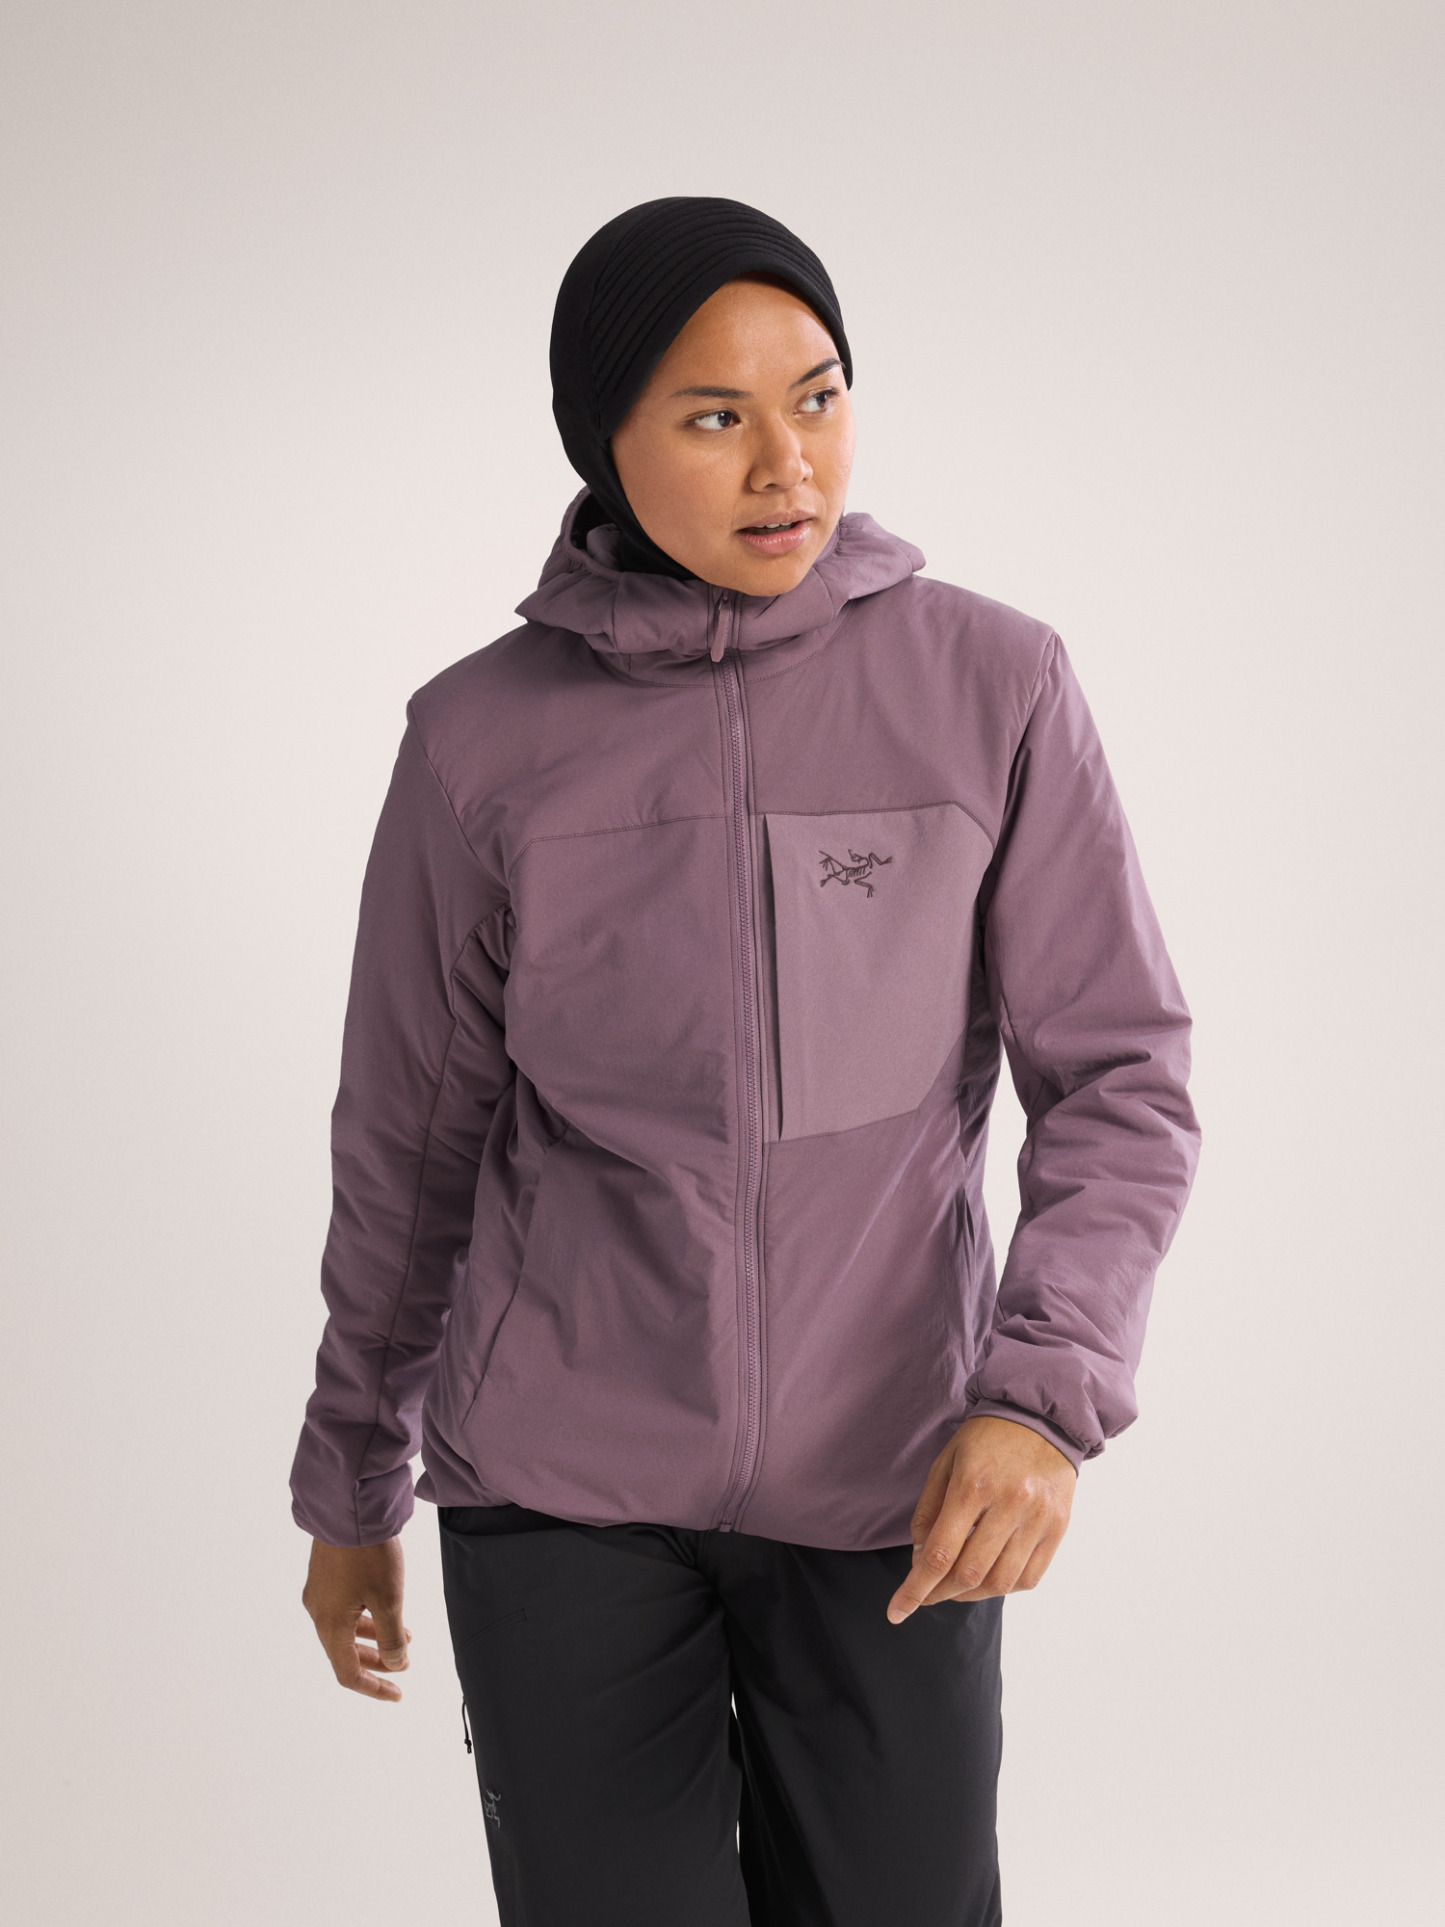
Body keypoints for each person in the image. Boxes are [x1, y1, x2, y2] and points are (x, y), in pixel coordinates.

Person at [291, 196, 1201, 1926]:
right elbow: (407, 1145)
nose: (787, 464)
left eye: (819, 396)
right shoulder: (478, 740)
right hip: (558, 1496)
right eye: (713, 417)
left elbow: (1119, 1083)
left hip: (896, 1485)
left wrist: (1039, 1401)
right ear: (604, 443)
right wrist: (351, 1480)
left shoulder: (991, 684)